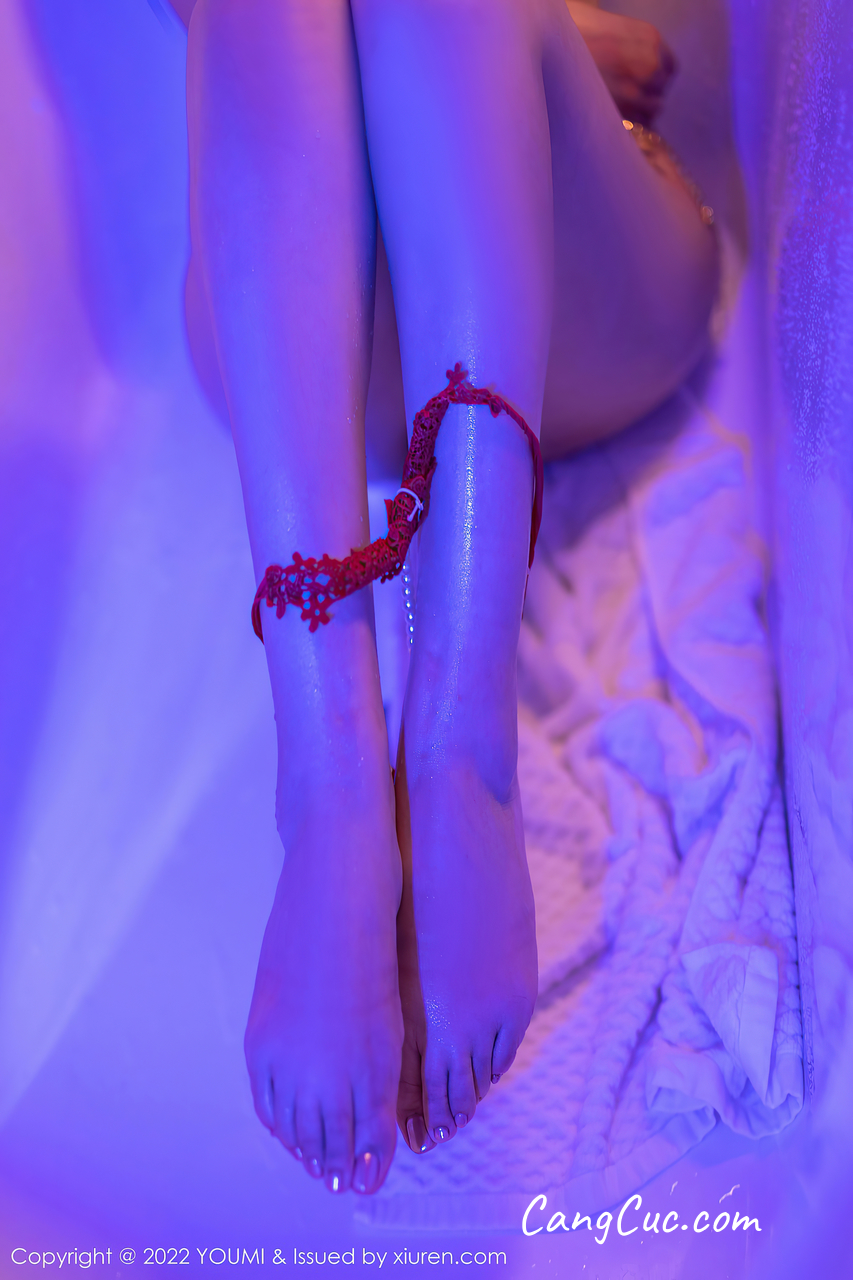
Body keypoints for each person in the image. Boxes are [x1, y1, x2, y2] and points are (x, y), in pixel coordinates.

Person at [170, 0, 718, 1196]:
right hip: (312, 329)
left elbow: (652, 57)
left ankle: (461, 743)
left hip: (581, 273)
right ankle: (330, 778)